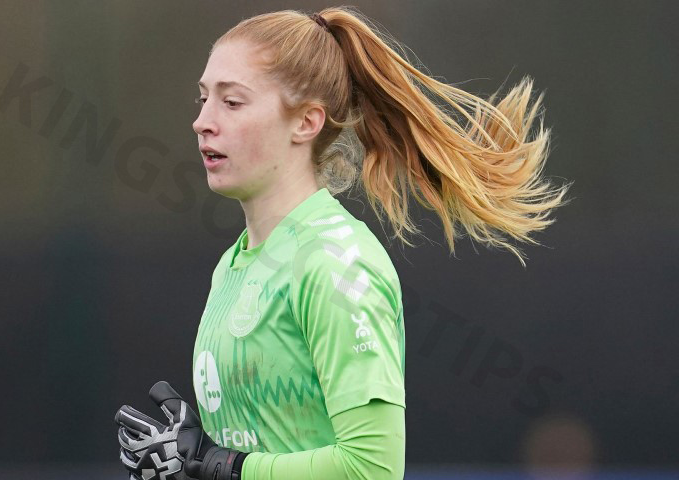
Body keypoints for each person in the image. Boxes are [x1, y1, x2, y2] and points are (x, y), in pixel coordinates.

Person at [115, 6, 572, 480]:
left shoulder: (336, 263)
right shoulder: (234, 265)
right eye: (204, 99)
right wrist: (191, 462)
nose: (203, 121)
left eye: (232, 102)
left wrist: (225, 466)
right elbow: (262, 453)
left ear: (307, 122)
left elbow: (372, 467)